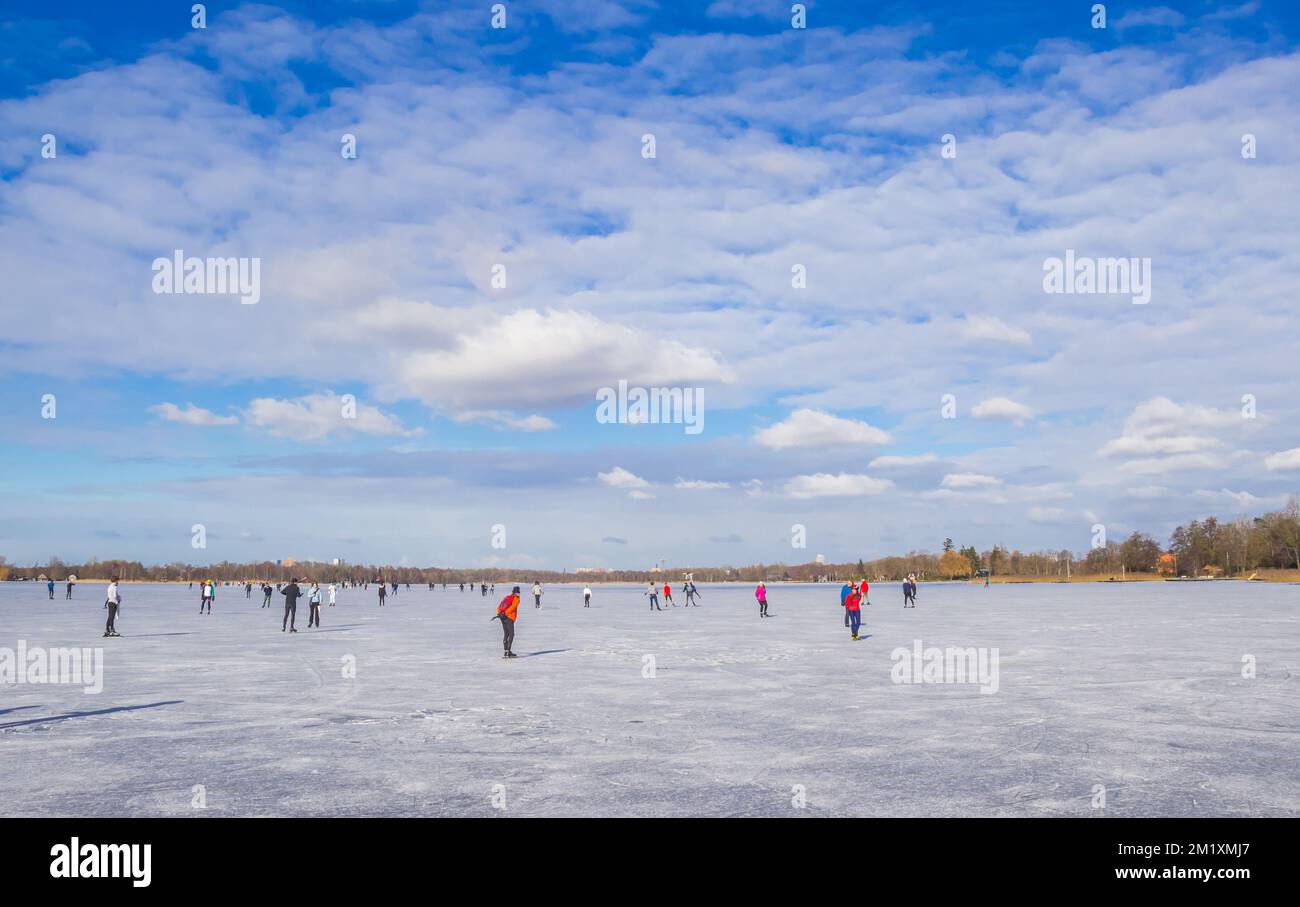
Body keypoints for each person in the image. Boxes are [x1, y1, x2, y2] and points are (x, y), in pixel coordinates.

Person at [495, 585, 521, 658]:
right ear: (516, 593)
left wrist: (499, 613)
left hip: (502, 617)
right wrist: (505, 614)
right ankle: (508, 651)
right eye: (518, 593)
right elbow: (512, 608)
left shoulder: (507, 597)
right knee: (511, 634)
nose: (519, 594)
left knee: (506, 633)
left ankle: (506, 651)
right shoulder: (516, 599)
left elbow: (500, 606)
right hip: (509, 618)